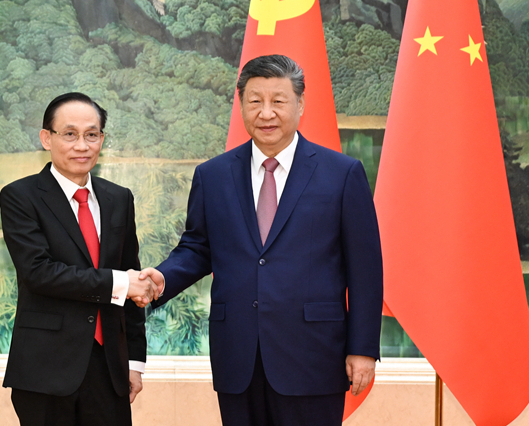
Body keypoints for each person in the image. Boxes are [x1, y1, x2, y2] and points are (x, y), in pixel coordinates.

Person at [141, 55, 383, 425]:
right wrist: (163, 277)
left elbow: (365, 269)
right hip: (238, 355)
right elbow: (198, 248)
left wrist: (363, 348)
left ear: (300, 104)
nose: (266, 113)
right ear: (241, 104)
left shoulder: (341, 173)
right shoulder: (213, 175)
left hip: (314, 355)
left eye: (278, 101)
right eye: (255, 101)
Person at [0, 92, 161, 426]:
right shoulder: (20, 196)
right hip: (46, 370)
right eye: (70, 134)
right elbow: (38, 272)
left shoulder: (119, 199)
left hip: (109, 369)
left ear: (102, 139)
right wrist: (121, 282)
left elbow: (131, 282)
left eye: (91, 135)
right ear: (47, 138)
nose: (82, 145)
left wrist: (134, 362)